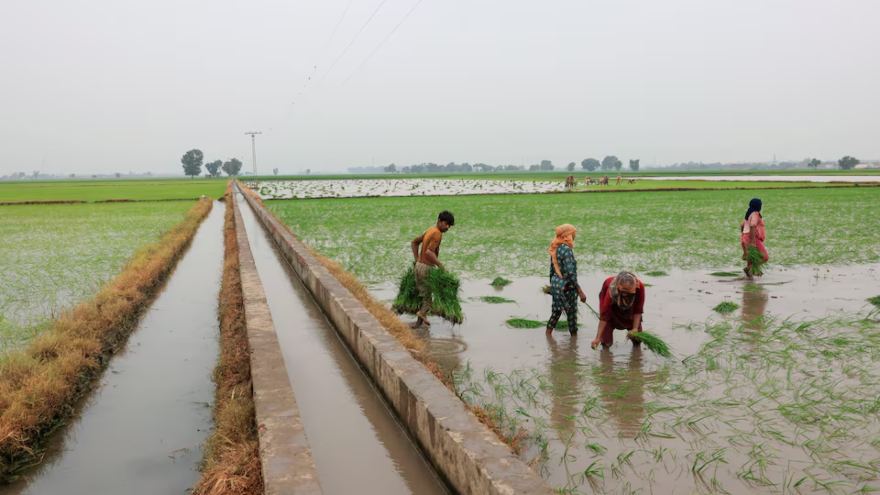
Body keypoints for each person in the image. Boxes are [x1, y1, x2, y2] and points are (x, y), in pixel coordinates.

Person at [409, 210, 455, 328]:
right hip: (426, 268)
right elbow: (429, 252)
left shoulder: (430, 230)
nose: (448, 227)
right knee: (428, 300)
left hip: (419, 266)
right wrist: (440, 265)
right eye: (446, 224)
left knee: (424, 296)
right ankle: (422, 314)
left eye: (449, 225)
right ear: (440, 221)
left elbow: (414, 242)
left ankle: (418, 323)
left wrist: (417, 259)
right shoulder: (437, 234)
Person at [546, 224, 587, 336]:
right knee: (572, 315)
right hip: (567, 287)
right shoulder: (567, 250)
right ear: (567, 235)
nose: (574, 236)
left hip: (557, 285)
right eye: (573, 233)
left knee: (556, 312)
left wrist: (552, 287)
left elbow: (552, 270)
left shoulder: (555, 247)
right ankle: (574, 342)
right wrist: (580, 291)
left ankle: (548, 335)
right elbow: (570, 273)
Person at [590, 271, 645, 349]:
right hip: (612, 308)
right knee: (606, 342)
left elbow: (638, 310)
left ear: (635, 287)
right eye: (624, 291)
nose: (625, 294)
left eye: (629, 292)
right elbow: (604, 316)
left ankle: (636, 354)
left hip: (630, 310)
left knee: (637, 339)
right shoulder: (611, 289)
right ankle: (605, 354)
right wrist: (597, 338)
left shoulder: (640, 287)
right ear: (619, 286)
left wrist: (635, 328)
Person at [741, 198, 768, 278]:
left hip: (746, 237)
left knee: (751, 259)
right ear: (758, 206)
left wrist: (743, 237)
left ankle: (749, 282)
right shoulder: (755, 214)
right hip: (753, 238)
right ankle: (750, 269)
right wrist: (753, 242)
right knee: (765, 257)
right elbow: (752, 226)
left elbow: (742, 225)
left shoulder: (748, 214)